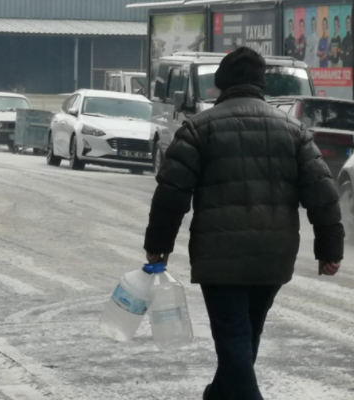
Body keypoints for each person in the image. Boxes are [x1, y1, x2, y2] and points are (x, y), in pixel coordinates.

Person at [144, 47, 344, 400]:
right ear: (260, 84)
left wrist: (158, 245)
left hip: (219, 257)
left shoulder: (199, 128)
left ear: (222, 85)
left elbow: (171, 193)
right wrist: (329, 249)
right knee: (245, 338)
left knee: (235, 340)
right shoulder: (294, 131)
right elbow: (323, 194)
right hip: (273, 256)